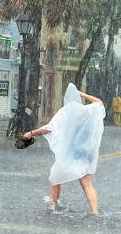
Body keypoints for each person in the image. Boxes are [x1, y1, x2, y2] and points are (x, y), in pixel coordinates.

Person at [23, 84, 105, 214]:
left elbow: (48, 128)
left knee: (55, 178)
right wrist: (82, 94)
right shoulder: (88, 111)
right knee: (87, 183)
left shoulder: (65, 113)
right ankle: (95, 212)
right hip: (85, 153)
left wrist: (31, 133)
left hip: (70, 153)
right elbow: (99, 103)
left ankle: (52, 205)